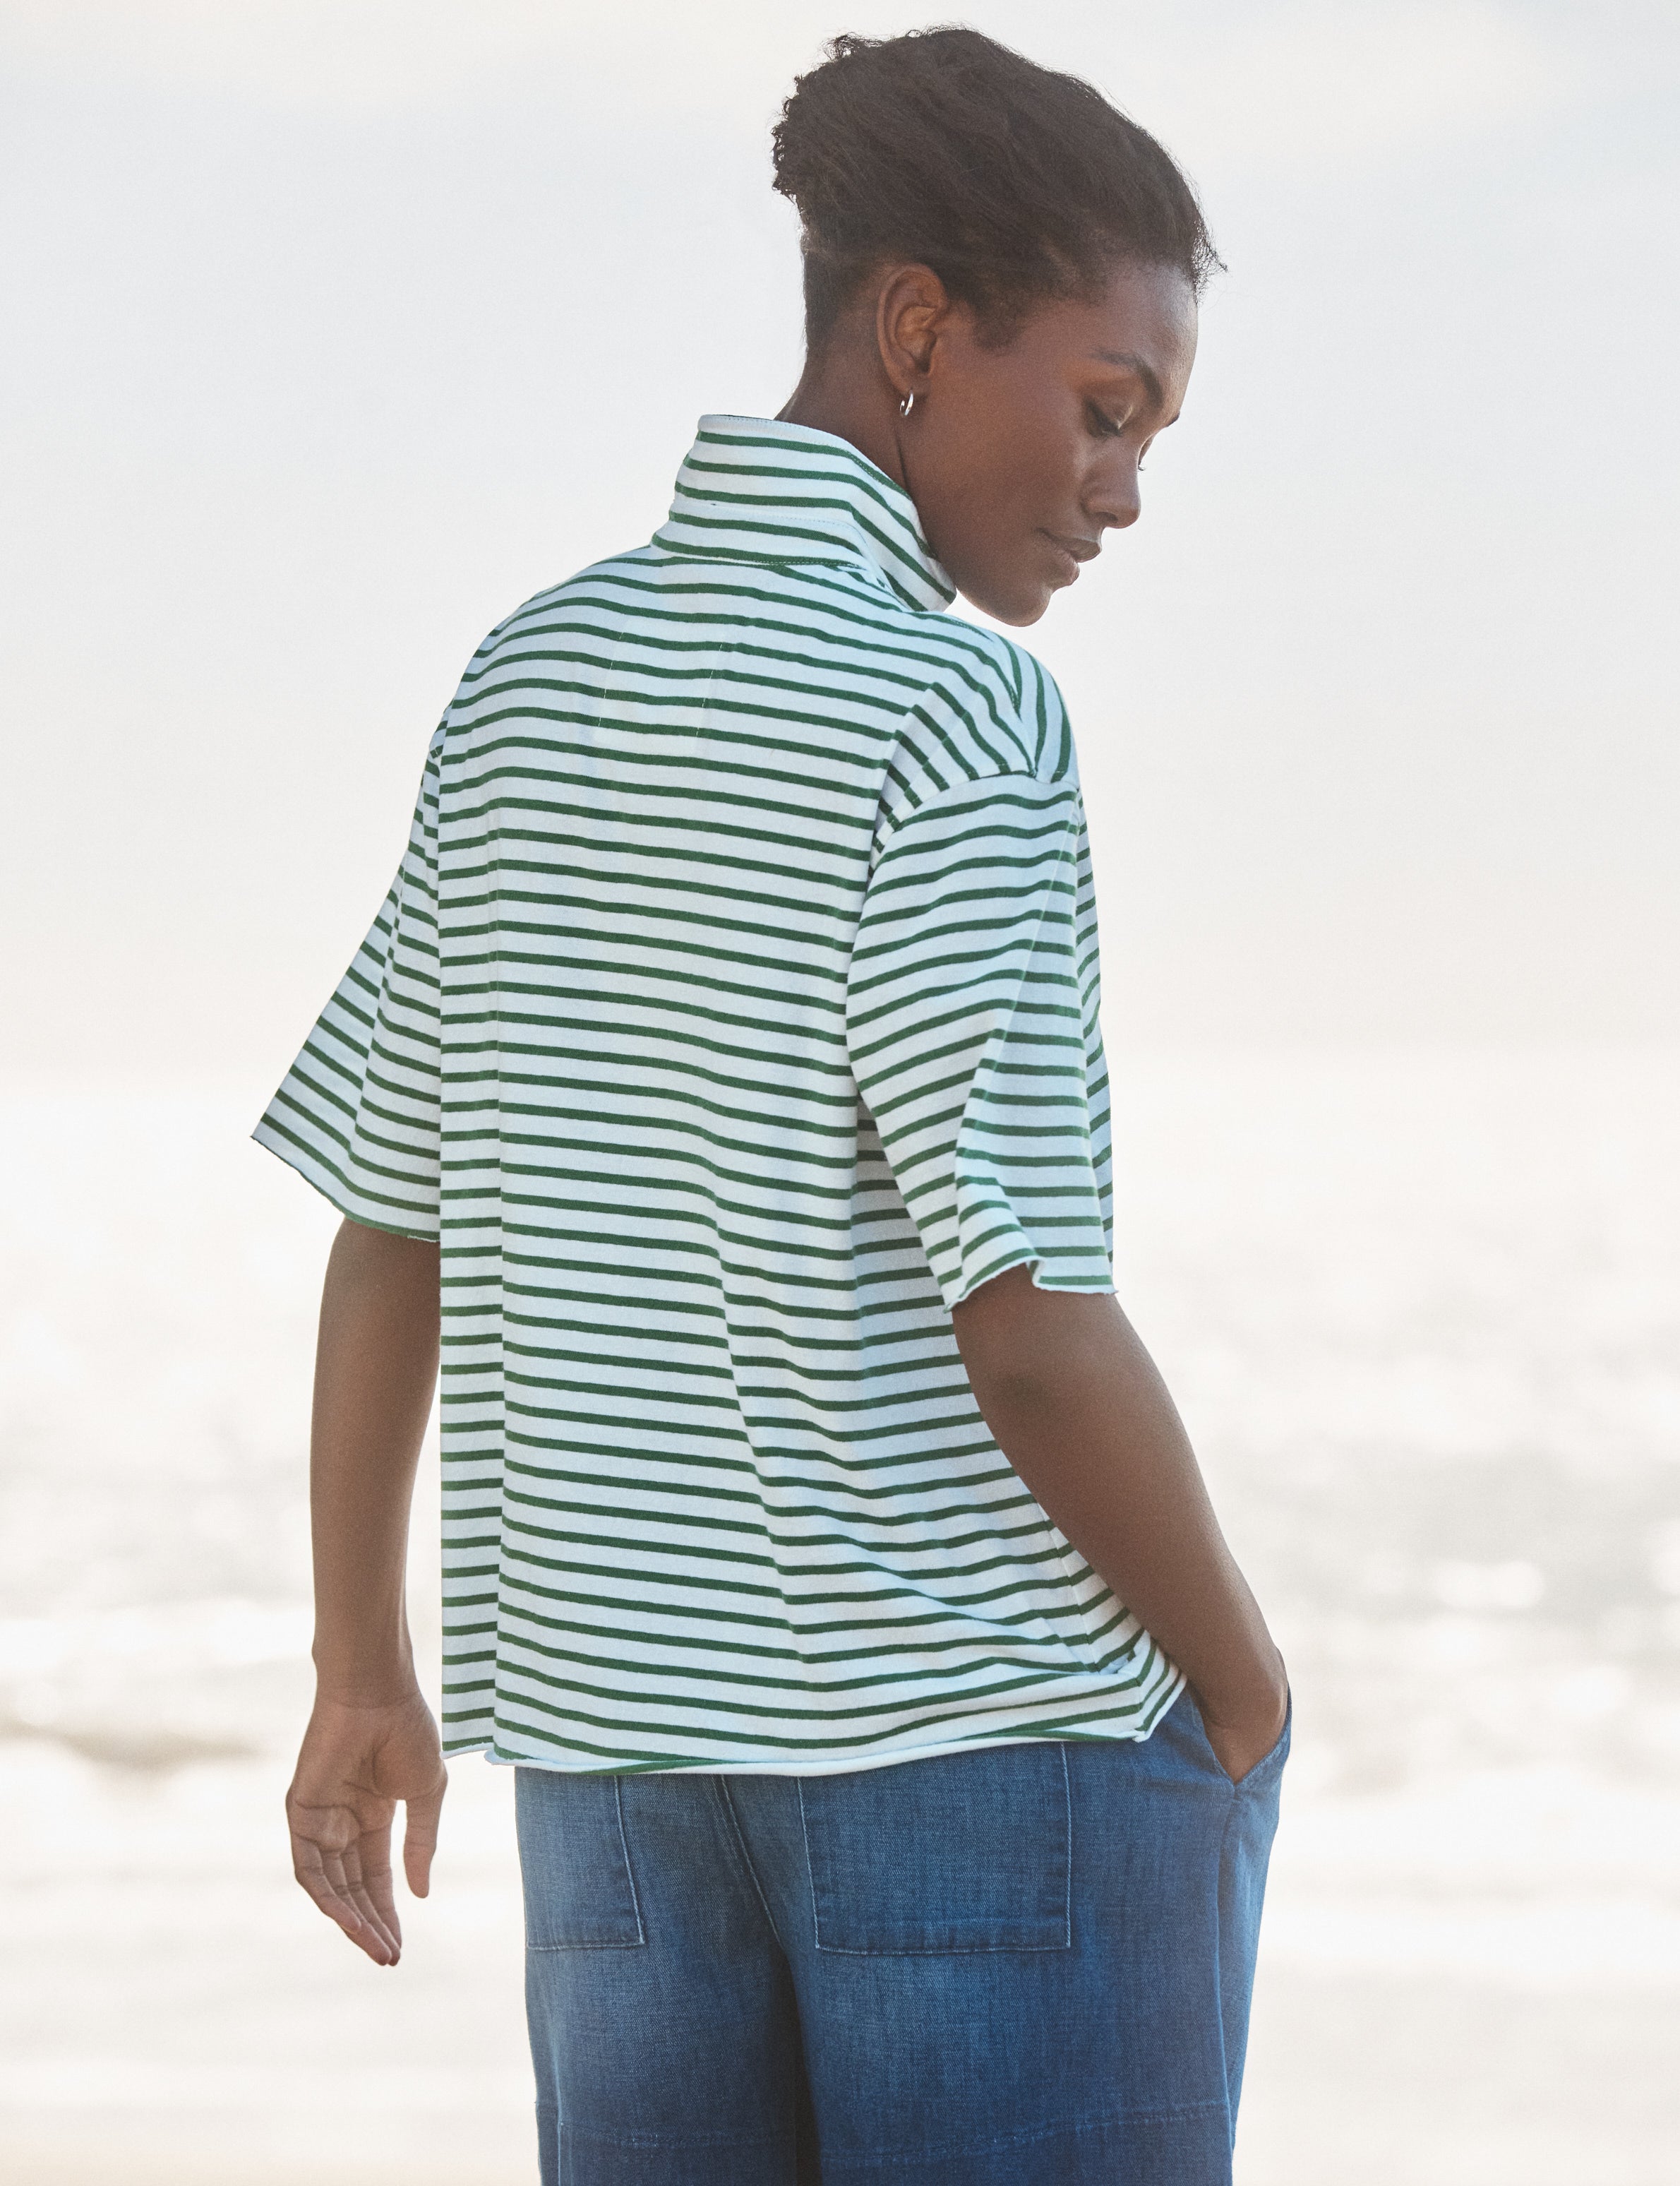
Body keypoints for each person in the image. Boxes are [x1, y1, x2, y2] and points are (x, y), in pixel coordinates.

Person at [258, 26, 1289, 2185]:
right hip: (988, 1752)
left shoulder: (530, 677)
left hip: (618, 1792)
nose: (1120, 491)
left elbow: (392, 1219)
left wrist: (364, 1669)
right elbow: (1026, 1318)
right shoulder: (959, 711)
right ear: (916, 326)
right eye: (1105, 408)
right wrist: (1239, 1682)